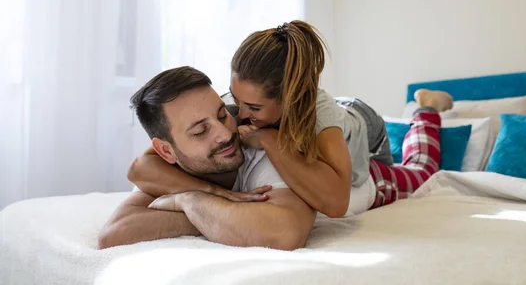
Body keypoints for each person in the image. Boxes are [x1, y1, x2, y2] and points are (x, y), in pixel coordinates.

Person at [128, 21, 453, 218]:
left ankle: (426, 109)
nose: (237, 115)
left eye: (253, 108)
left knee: (420, 172)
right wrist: (211, 194)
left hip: (366, 131)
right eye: (234, 98)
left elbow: (337, 202)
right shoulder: (235, 106)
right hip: (327, 114)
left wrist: (269, 140)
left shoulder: (318, 116)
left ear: (290, 101)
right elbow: (140, 168)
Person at [98, 67, 315, 250]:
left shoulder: (259, 145)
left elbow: (286, 231)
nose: (225, 133)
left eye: (222, 116)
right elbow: (114, 234)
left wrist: (191, 203)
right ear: (166, 151)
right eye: (201, 131)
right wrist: (192, 204)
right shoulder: (164, 171)